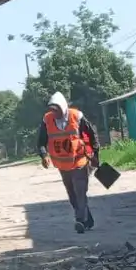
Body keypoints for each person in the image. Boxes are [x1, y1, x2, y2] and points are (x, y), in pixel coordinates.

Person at [37, 92, 101, 233]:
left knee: (80, 191)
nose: (54, 113)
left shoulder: (76, 116)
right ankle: (87, 220)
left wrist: (95, 154)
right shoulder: (47, 120)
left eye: (56, 110)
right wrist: (44, 155)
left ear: (63, 107)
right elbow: (41, 141)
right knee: (72, 195)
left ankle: (80, 221)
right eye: (51, 110)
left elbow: (91, 135)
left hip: (80, 161)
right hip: (63, 165)